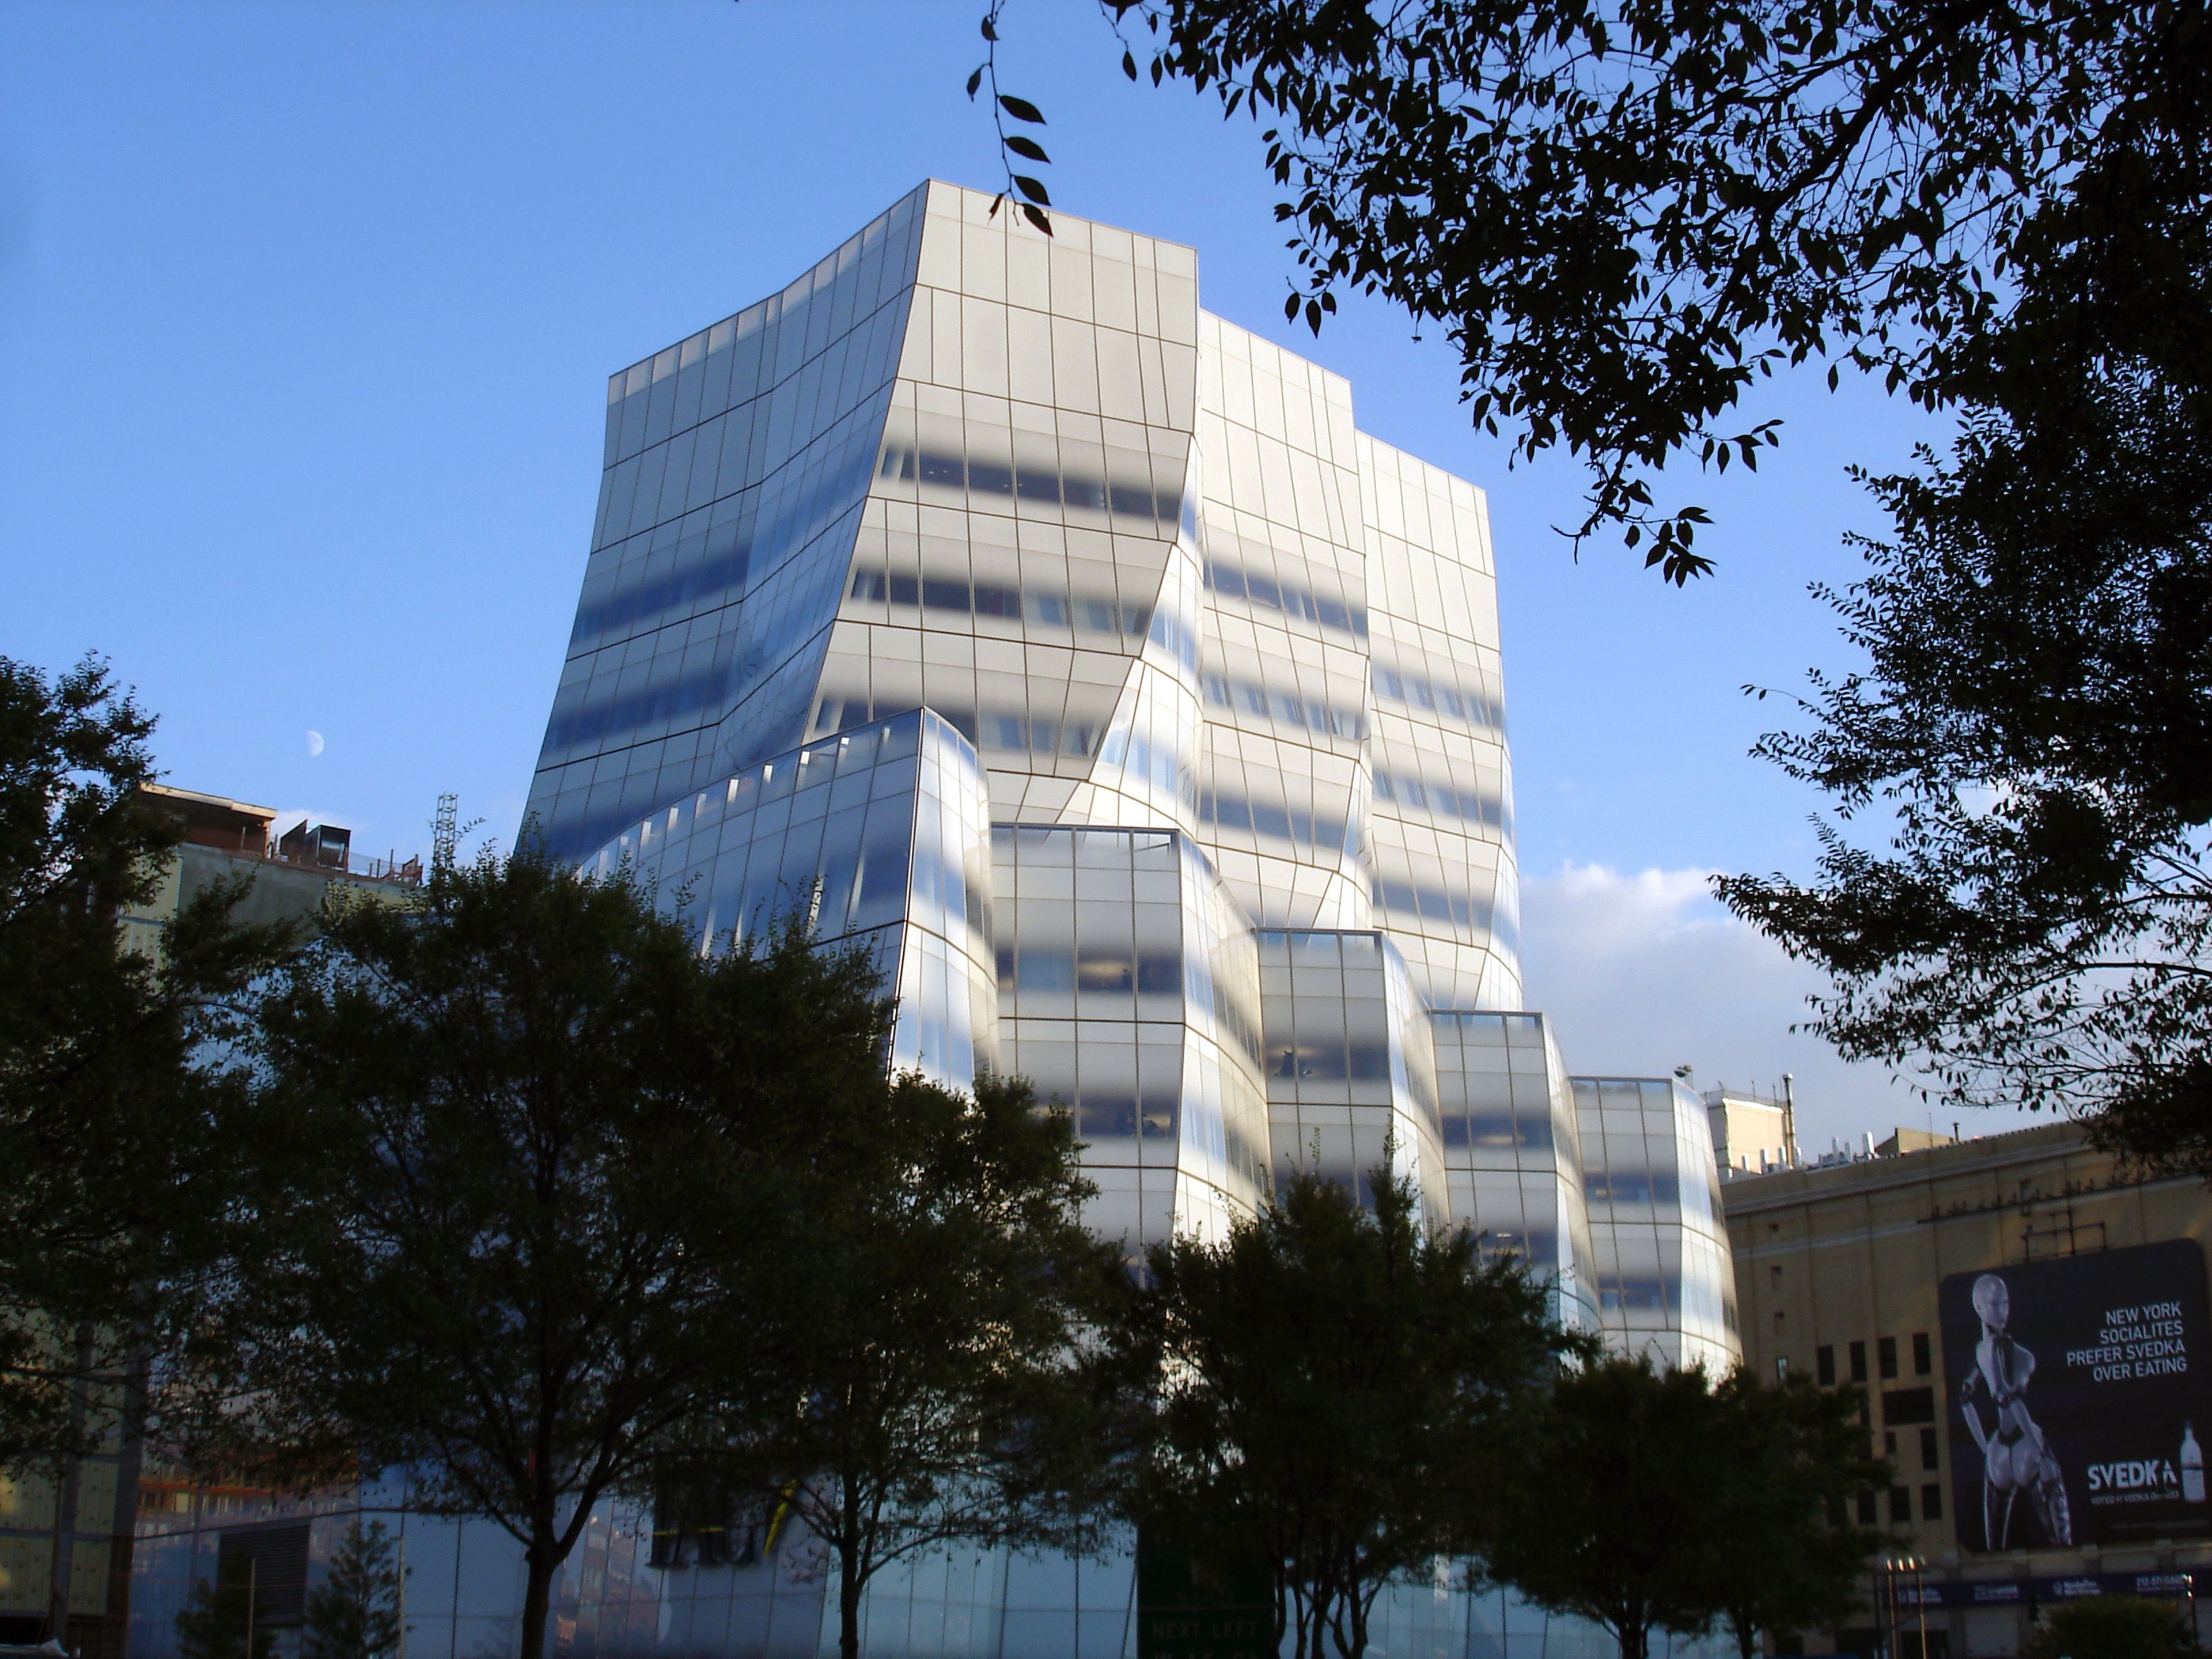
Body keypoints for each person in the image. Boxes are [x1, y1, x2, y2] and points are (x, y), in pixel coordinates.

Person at [1959, 1272, 2073, 1547]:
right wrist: (2040, 1452)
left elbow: (1969, 1397)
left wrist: (1987, 1450)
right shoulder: (2000, 1349)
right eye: (1995, 1304)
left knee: (1995, 1546)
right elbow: (2007, 1397)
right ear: (1979, 1308)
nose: (2002, 1312)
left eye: (2006, 1303)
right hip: (2020, 1444)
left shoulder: (1986, 1349)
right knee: (2062, 1540)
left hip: (2003, 1449)